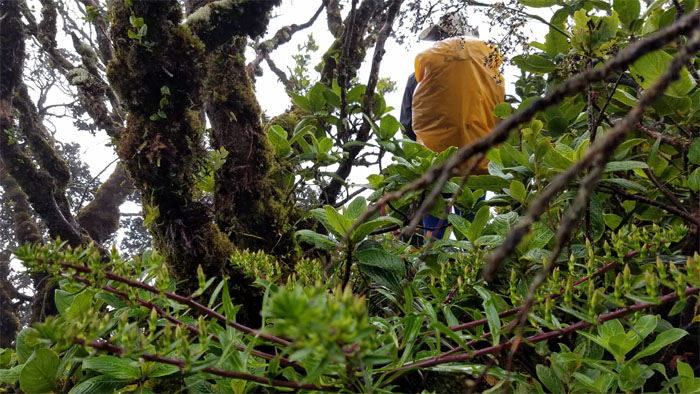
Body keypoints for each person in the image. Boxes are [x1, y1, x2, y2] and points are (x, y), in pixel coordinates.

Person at [400, 14, 505, 240]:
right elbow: (501, 117)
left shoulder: (419, 76)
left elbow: (408, 126)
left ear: (439, 39)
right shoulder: (492, 74)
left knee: (432, 238)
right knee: (473, 236)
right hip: (477, 166)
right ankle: (474, 272)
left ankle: (431, 273)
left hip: (436, 166)